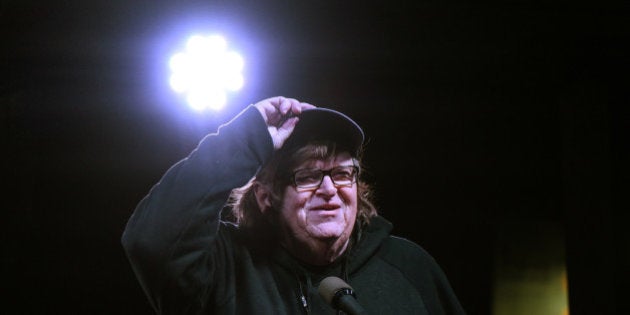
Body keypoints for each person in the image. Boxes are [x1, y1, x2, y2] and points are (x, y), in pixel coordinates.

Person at [121, 96, 466, 314]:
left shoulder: (409, 267)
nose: (330, 189)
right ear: (265, 195)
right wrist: (245, 139)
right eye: (307, 176)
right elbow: (153, 240)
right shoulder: (228, 269)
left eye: (343, 174)